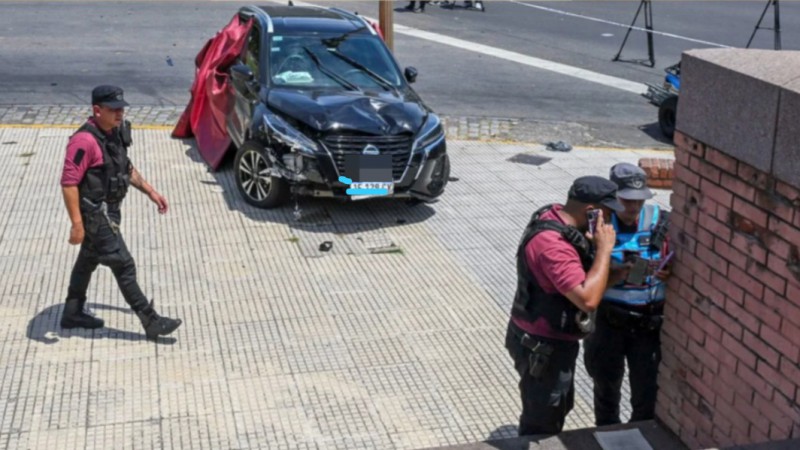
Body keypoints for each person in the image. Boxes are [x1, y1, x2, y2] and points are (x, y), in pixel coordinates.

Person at [59, 85, 182, 340]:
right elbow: (69, 183)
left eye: (121, 109)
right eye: (113, 109)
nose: (119, 114)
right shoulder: (84, 142)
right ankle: (150, 320)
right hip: (96, 216)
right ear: (97, 110)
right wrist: (76, 224)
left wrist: (151, 191)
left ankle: (72, 312)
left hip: (110, 212)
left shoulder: (113, 134)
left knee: (88, 259)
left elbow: (125, 168)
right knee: (123, 264)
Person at [505, 176, 623, 435]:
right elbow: (588, 300)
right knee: (542, 422)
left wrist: (619, 273)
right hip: (542, 348)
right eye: (609, 212)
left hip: (547, 340)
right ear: (591, 211)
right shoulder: (553, 245)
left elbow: (582, 282)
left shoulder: (557, 215)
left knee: (558, 406)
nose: (612, 219)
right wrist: (604, 250)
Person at [583, 163, 671, 426]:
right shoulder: (595, 225)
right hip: (608, 322)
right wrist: (618, 271)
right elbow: (582, 277)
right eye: (626, 201)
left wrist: (669, 271)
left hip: (647, 324)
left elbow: (675, 257)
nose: (633, 208)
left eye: (639, 201)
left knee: (646, 395)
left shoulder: (661, 221)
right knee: (606, 390)